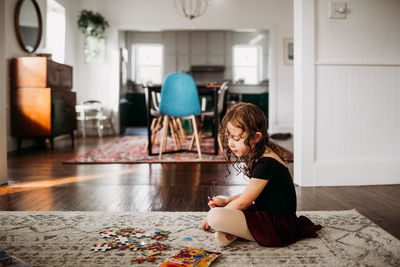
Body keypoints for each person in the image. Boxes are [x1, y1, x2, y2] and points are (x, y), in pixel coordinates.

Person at [200, 102, 321, 247]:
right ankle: (236, 232)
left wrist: (214, 216)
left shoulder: (266, 164)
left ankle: (241, 232)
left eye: (237, 139)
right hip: (267, 214)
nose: (231, 144)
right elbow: (250, 194)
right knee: (230, 210)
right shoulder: (263, 153)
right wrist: (226, 202)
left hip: (277, 226)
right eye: (229, 138)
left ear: (256, 137)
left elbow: (244, 202)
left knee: (216, 216)